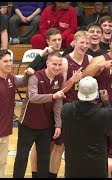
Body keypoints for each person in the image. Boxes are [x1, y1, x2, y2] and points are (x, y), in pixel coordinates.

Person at [13, 51, 65, 178]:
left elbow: (58, 104)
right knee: (21, 158)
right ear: (47, 63)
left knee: (44, 159)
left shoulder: (60, 78)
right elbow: (33, 97)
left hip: (46, 125)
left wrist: (58, 124)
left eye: (59, 65)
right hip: (27, 124)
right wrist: (52, 96)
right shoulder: (35, 76)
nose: (57, 67)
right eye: (54, 64)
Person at [49, 30, 93, 178]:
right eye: (82, 42)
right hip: (68, 108)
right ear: (74, 42)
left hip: (85, 109)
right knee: (59, 146)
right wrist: (72, 80)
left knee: (80, 147)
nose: (85, 45)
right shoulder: (66, 61)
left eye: (87, 43)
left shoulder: (91, 59)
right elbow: (60, 89)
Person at [63, 76, 112, 178]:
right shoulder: (103, 114)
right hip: (96, 166)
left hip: (73, 164)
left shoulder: (66, 109)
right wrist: (106, 103)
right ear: (96, 94)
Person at [0, 49, 34, 178]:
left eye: (10, 61)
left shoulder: (11, 78)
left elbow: (22, 82)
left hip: (5, 129)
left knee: (2, 162)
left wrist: (28, 73)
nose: (9, 64)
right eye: (5, 61)